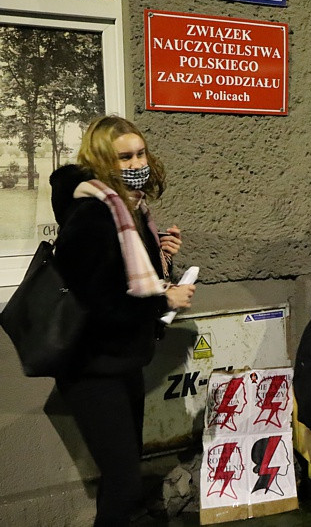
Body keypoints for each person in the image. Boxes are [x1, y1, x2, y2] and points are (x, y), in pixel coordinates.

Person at [50, 115, 196, 526]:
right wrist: (163, 299)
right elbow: (97, 302)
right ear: (101, 162)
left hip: (122, 361)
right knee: (125, 482)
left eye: (139, 153)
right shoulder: (92, 215)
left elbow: (127, 280)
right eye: (123, 157)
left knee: (124, 479)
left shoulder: (132, 211)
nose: (136, 163)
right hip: (92, 368)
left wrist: (163, 256)